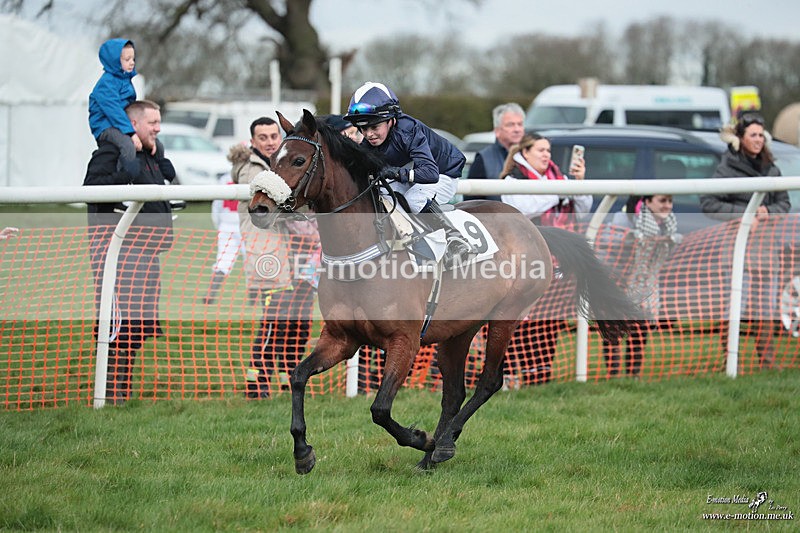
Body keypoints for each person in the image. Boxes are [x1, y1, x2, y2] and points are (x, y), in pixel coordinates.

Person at [83, 100, 175, 405]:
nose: (158, 129)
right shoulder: (112, 152)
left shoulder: (151, 153)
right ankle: (107, 394)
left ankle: (122, 392)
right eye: (153, 123)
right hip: (120, 259)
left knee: (135, 332)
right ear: (133, 124)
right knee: (116, 329)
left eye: (159, 122)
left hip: (148, 258)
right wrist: (127, 168)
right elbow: (91, 190)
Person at [229, 116, 319, 398]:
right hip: (265, 251)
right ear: (252, 141)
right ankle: (256, 384)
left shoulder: (275, 164)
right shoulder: (252, 169)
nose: (269, 142)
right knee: (272, 321)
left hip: (284, 252)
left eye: (273, 136)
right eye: (263, 137)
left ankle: (284, 377)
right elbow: (270, 208)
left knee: (289, 321)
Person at [343, 81, 471, 267]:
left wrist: (396, 173)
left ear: (391, 120)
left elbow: (430, 173)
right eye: (363, 128)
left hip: (443, 173)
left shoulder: (409, 131)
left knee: (414, 199)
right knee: (379, 194)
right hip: (416, 175)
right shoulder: (370, 141)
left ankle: (455, 239)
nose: (369, 134)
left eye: (374, 127)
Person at [500, 133, 592, 385]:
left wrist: (578, 183)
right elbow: (524, 209)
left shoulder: (558, 178)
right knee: (520, 324)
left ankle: (540, 378)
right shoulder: (513, 179)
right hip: (526, 264)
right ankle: (508, 375)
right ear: (524, 152)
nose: (546, 155)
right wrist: (558, 191)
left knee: (550, 323)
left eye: (548, 150)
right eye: (540, 150)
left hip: (560, 263)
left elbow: (583, 210)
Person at [700, 112, 790, 369]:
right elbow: (709, 204)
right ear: (740, 138)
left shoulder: (772, 169)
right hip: (737, 250)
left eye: (762, 135)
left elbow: (784, 202)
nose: (759, 140)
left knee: (765, 309)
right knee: (734, 308)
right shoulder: (726, 169)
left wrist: (768, 212)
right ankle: (730, 362)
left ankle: (767, 362)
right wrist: (744, 216)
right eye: (753, 135)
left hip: (766, 251)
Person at [603, 195, 680, 377]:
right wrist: (630, 241)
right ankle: (613, 376)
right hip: (616, 280)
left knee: (639, 329)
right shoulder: (624, 218)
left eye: (670, 201)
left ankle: (633, 376)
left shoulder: (668, 224)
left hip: (644, 284)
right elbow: (607, 246)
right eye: (662, 201)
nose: (667, 206)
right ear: (647, 202)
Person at [88, 39, 142, 177]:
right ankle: (123, 179)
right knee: (127, 145)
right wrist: (131, 133)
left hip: (120, 124)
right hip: (104, 125)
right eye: (127, 59)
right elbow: (114, 112)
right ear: (115, 61)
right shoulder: (106, 83)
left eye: (133, 58)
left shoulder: (125, 80)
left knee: (150, 139)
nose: (132, 62)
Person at [466, 103, 526, 201]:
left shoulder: (534, 156)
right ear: (497, 131)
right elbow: (471, 203)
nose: (517, 129)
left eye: (520, 124)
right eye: (510, 125)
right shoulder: (483, 159)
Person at [202, 172, 245, 305]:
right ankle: (254, 299)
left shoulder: (225, 178)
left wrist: (218, 223)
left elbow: (217, 204)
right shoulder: (251, 175)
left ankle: (210, 293)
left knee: (223, 261)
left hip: (226, 224)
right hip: (245, 225)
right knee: (252, 261)